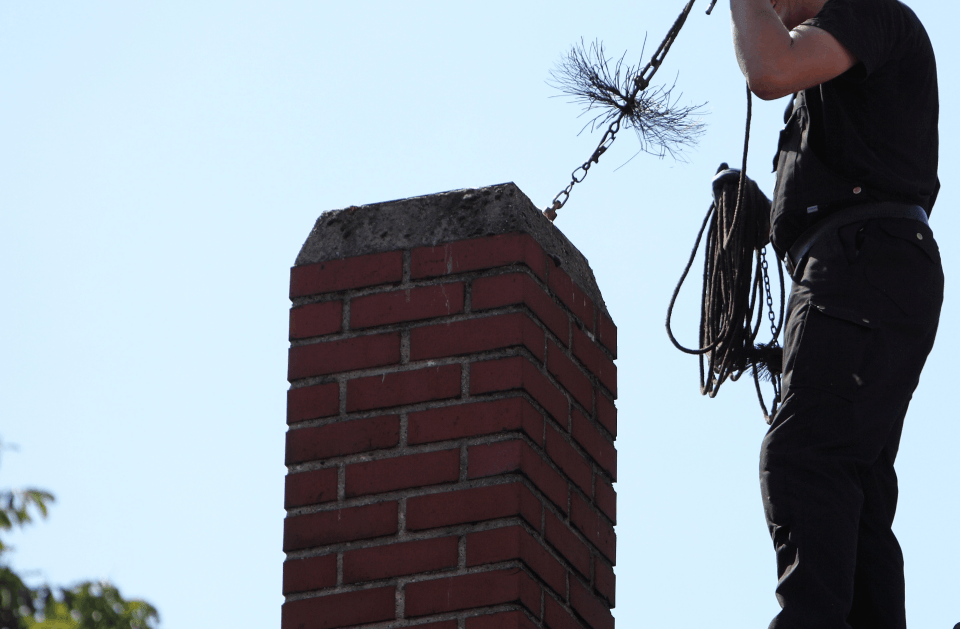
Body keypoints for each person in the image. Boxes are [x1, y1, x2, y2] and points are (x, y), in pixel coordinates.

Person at [726, 0, 943, 628]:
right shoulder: (828, 75)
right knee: (856, 483)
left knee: (805, 455)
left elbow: (769, 70)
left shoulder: (866, 12)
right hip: (862, 265)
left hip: (863, 261)